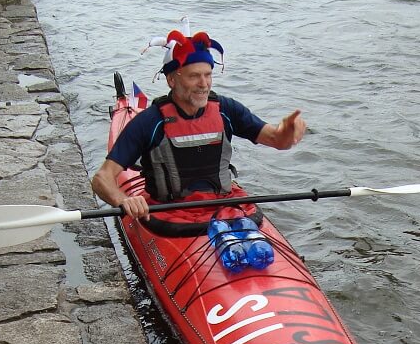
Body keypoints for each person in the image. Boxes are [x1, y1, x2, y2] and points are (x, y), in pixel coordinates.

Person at [91, 28, 306, 222]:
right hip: (169, 217)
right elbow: (102, 179)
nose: (204, 84)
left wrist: (288, 132)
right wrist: (123, 200)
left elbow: (278, 140)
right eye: (194, 76)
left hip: (224, 209)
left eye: (208, 74)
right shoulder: (150, 121)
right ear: (172, 80)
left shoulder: (226, 110)